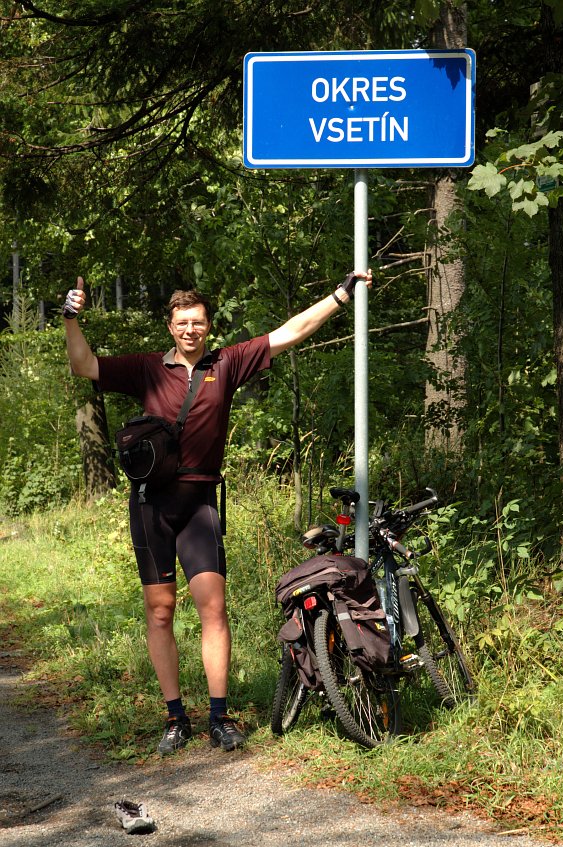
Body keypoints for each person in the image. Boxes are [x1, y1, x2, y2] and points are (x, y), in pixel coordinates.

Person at [63, 268, 372, 754]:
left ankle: (219, 716)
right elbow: (83, 365)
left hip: (200, 503)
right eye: (182, 322)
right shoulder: (146, 369)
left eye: (198, 322)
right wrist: (70, 319)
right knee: (160, 611)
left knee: (213, 608)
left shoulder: (226, 364)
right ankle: (174, 718)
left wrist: (340, 297)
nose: (190, 329)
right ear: (170, 326)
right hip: (151, 506)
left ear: (208, 326)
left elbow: (290, 332)